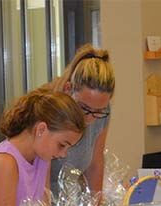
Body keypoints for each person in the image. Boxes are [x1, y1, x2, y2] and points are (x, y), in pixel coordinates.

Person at [43, 44, 115, 195]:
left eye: (98, 111)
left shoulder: (103, 113)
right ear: (68, 89)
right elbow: (41, 179)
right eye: (84, 108)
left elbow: (95, 163)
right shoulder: (47, 111)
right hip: (41, 201)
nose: (90, 118)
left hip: (71, 203)